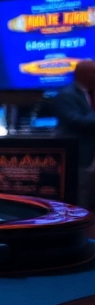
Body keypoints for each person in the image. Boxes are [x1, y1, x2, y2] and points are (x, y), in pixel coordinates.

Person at [54, 60, 95, 208]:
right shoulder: (66, 95)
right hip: (78, 156)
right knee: (79, 198)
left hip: (92, 156)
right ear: (81, 75)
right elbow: (75, 121)